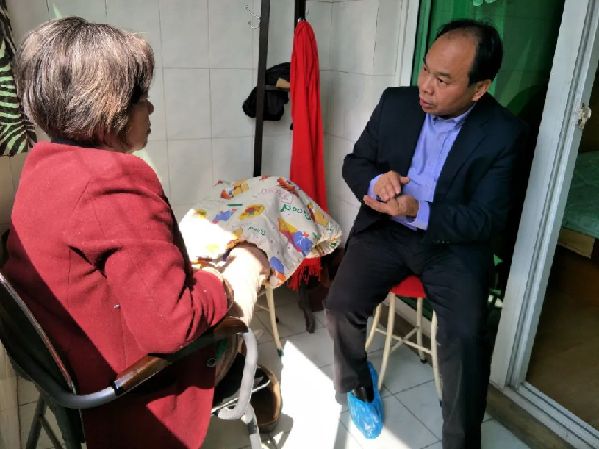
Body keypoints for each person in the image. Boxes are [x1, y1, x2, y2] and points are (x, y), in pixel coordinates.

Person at [3, 17, 269, 449]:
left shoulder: (42, 166)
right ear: (110, 110)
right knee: (246, 286)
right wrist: (226, 280)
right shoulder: (114, 182)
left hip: (69, 372)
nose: (151, 109)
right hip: (129, 395)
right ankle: (255, 388)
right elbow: (173, 327)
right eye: (142, 98)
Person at [325, 19, 527, 448]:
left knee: (465, 339)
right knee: (340, 306)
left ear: (479, 88)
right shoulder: (396, 103)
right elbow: (355, 163)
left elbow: (487, 218)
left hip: (451, 245)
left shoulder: (504, 133)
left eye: (443, 80)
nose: (426, 87)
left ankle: (461, 440)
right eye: (425, 69)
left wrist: (420, 210)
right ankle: (358, 383)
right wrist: (375, 181)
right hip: (386, 231)